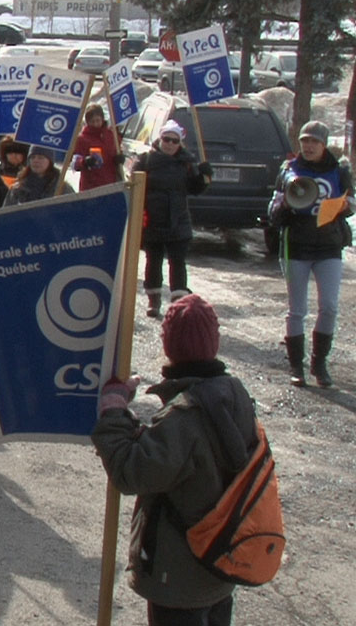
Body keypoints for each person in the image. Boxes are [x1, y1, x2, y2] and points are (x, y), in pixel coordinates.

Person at [92, 294, 257, 626]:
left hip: (180, 577)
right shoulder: (236, 395)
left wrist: (113, 410)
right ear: (214, 343)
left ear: (169, 346)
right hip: (221, 565)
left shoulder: (184, 417)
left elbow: (131, 472)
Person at [268, 120, 354, 387]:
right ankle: (297, 366)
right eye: (305, 141)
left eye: (314, 141)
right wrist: (283, 205)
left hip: (328, 246)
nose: (309, 146)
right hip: (296, 246)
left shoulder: (339, 171)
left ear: (324, 144)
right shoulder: (289, 169)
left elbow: (352, 202)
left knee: (329, 307)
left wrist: (345, 206)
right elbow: (272, 212)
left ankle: (319, 364)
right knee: (297, 310)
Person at [133, 120, 212, 318]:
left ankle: (179, 305)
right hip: (153, 220)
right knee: (153, 262)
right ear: (159, 139)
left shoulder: (186, 163)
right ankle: (154, 300)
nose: (169, 144)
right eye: (166, 139)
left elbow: (195, 189)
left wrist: (205, 177)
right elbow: (134, 184)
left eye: (174, 141)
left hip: (178, 220)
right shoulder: (146, 160)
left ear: (180, 143)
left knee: (178, 263)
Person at [72, 103, 125, 191]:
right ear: (87, 122)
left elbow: (118, 151)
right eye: (92, 121)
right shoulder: (82, 139)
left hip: (110, 183)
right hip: (91, 186)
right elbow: (75, 163)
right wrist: (85, 162)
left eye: (98, 120)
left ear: (102, 119)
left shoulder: (112, 136)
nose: (95, 124)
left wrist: (120, 158)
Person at [3, 146, 74, 206]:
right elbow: (6, 213)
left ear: (50, 161)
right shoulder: (18, 189)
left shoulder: (62, 188)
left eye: (40, 157)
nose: (35, 160)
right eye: (32, 157)